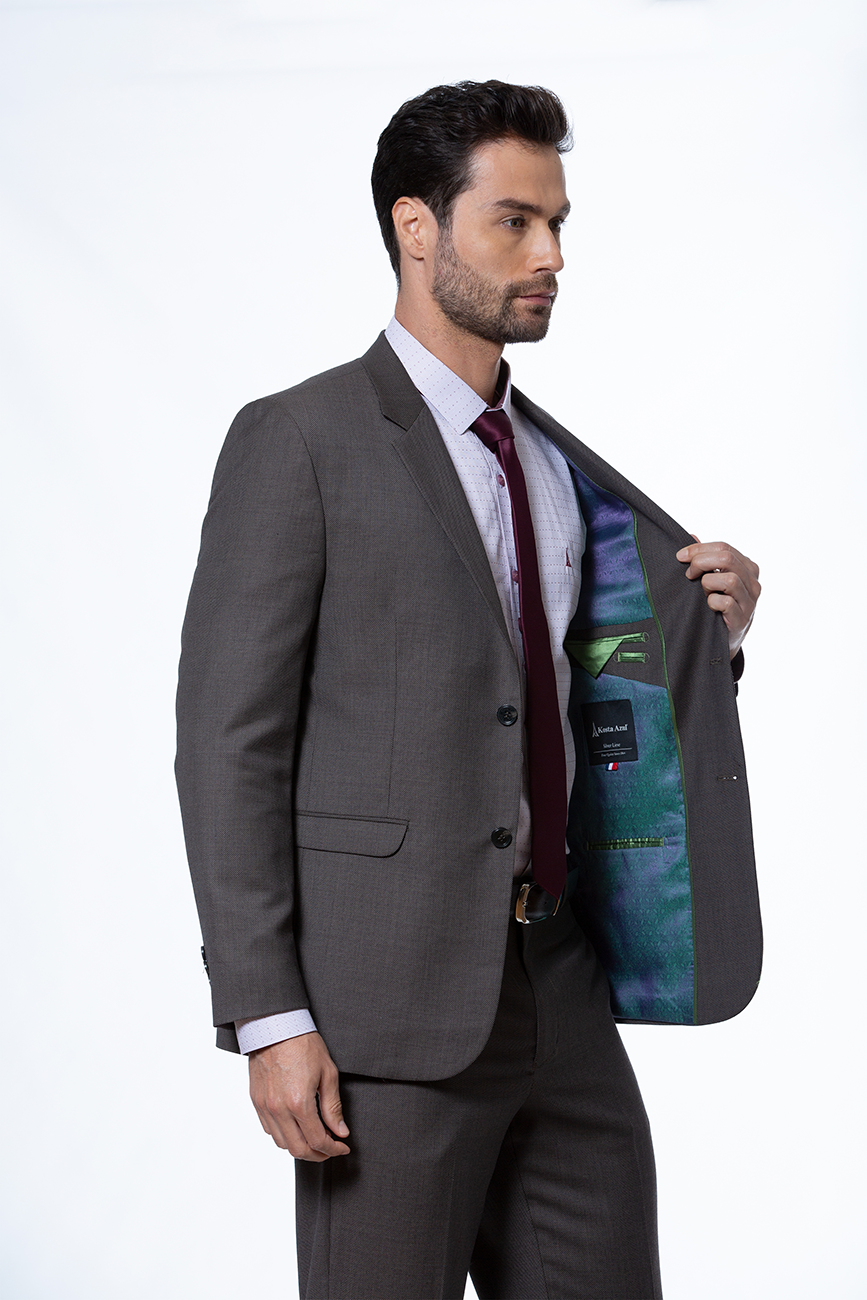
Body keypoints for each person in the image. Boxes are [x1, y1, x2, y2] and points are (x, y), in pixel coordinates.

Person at [176, 80, 762, 1300]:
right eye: (515, 222)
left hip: (562, 984)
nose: (552, 256)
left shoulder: (551, 465)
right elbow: (229, 746)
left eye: (559, 224)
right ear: (416, 226)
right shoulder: (299, 440)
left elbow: (577, 702)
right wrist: (269, 1014)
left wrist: (711, 638)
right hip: (382, 1011)